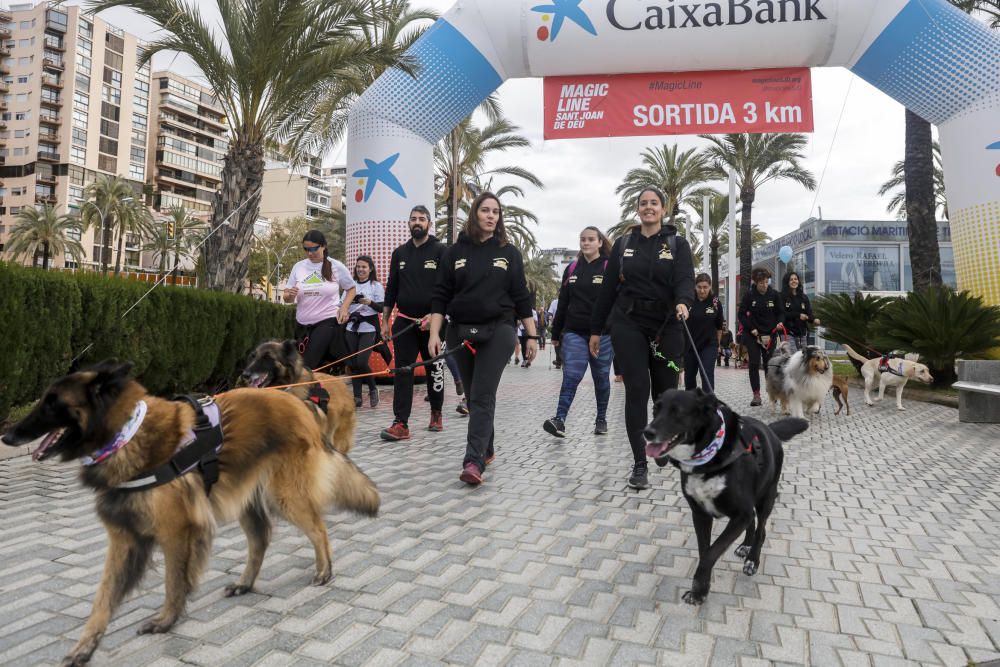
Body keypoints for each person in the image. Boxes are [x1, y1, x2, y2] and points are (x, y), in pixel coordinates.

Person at [429, 192, 537, 486]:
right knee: (477, 393)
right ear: (475, 214)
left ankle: (473, 461)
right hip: (459, 331)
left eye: (496, 212)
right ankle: (486, 447)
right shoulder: (454, 253)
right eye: (486, 210)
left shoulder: (508, 252)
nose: (491, 216)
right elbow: (440, 295)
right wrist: (435, 333)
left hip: (499, 329)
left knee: (481, 394)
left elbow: (520, 296)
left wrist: (531, 334)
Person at [590, 187, 695, 490]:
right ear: (637, 210)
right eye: (643, 204)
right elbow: (607, 291)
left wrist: (685, 302)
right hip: (629, 323)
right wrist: (596, 330)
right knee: (637, 391)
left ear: (663, 209)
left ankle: (661, 440)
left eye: (654, 203)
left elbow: (685, 279)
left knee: (664, 396)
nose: (648, 208)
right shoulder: (624, 245)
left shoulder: (677, 244)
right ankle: (639, 464)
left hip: (668, 325)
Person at [380, 205, 448, 441]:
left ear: (429, 223)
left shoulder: (441, 251)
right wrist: (386, 321)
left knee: (435, 370)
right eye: (413, 219)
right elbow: (392, 289)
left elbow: (448, 288)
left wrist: (436, 318)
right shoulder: (399, 253)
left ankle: (436, 413)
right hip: (405, 323)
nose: (417, 222)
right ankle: (401, 423)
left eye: (422, 219)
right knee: (403, 372)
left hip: (434, 324)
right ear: (408, 224)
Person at [544, 226, 614, 438]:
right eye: (583, 239)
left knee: (601, 377)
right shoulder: (572, 268)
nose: (586, 243)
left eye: (591, 239)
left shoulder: (609, 267)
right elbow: (563, 302)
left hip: (603, 335)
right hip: (574, 332)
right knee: (571, 375)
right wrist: (556, 334)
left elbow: (616, 302)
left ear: (600, 242)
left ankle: (601, 418)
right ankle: (559, 419)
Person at [284, 230, 356, 370]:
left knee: (306, 366)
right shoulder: (298, 267)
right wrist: (290, 295)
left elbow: (352, 289)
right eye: (306, 249)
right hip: (302, 325)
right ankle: (319, 390)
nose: (309, 253)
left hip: (326, 322)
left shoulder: (336, 266)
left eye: (313, 249)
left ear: (324, 246)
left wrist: (344, 307)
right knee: (304, 366)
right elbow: (287, 297)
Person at [738, 266, 784, 406]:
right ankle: (756, 395)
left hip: (770, 334)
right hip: (753, 334)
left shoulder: (775, 295)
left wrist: (779, 323)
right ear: (756, 282)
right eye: (761, 283)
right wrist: (751, 328)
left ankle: (772, 391)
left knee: (769, 364)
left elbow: (781, 313)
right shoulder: (749, 295)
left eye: (766, 282)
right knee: (754, 363)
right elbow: (741, 314)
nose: (764, 285)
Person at [345, 255, 384, 408]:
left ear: (370, 269)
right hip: (351, 327)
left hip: (369, 327)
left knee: (362, 361)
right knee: (354, 363)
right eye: (358, 267)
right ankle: (357, 396)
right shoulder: (351, 285)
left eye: (364, 267)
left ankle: (373, 389)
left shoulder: (376, 286)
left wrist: (370, 302)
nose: (360, 269)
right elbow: (342, 304)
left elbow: (381, 308)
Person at [684, 273, 724, 391]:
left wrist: (718, 344)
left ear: (710, 286)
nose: (702, 290)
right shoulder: (688, 300)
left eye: (705, 287)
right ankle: (691, 404)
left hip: (709, 345)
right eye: (699, 287)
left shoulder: (715, 302)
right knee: (689, 377)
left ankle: (709, 404)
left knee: (706, 373)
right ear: (695, 286)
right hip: (690, 346)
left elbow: (719, 327)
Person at [781, 271, 820, 352]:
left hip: (802, 333)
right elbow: (782, 313)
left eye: (795, 279)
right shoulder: (781, 296)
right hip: (787, 332)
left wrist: (814, 320)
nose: (794, 281)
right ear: (787, 282)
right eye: (791, 279)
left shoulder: (803, 297)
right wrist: (798, 315)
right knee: (793, 358)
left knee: (803, 357)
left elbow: (809, 313)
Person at [547, 297, 563, 369]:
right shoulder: (554, 302)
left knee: (564, 344)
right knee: (556, 344)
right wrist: (550, 319)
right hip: (556, 325)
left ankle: (560, 360)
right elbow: (550, 313)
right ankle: (559, 361)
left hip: (566, 326)